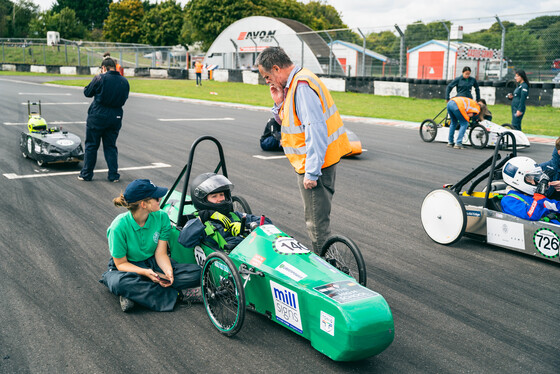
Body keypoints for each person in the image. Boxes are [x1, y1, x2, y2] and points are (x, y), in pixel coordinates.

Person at [256, 46, 352, 254]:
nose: (267, 81)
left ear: (276, 68)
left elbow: (315, 129)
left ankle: (326, 271)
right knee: (317, 222)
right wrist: (278, 102)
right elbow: (291, 121)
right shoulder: (296, 83)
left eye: (266, 76)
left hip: (316, 165)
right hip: (314, 162)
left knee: (317, 226)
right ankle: (327, 263)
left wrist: (312, 172)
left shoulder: (301, 86)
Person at [100, 179, 202, 312]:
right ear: (143, 204)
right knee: (120, 283)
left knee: (197, 273)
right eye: (155, 197)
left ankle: (135, 295)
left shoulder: (162, 217)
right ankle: (180, 295)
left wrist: (168, 272)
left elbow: (161, 253)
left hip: (153, 262)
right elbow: (121, 264)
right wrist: (145, 272)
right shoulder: (117, 227)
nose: (160, 198)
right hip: (128, 267)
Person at [178, 173, 272, 252]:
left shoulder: (235, 216)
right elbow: (184, 240)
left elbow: (268, 223)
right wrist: (204, 216)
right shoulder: (200, 224)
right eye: (214, 196)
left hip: (252, 254)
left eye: (222, 195)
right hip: (227, 263)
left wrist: (247, 226)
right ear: (202, 200)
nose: (220, 199)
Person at [79, 57, 129, 182]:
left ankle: (86, 174)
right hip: (116, 116)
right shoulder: (124, 81)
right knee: (110, 146)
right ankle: (113, 175)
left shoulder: (100, 78)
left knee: (91, 145)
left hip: (98, 115)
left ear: (104, 68)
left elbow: (87, 92)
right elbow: (125, 98)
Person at [500, 157, 560, 223]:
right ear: (517, 179)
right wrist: (540, 193)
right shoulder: (509, 200)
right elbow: (531, 216)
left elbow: (556, 206)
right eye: (529, 178)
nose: (534, 182)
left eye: (534, 178)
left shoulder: (531, 196)